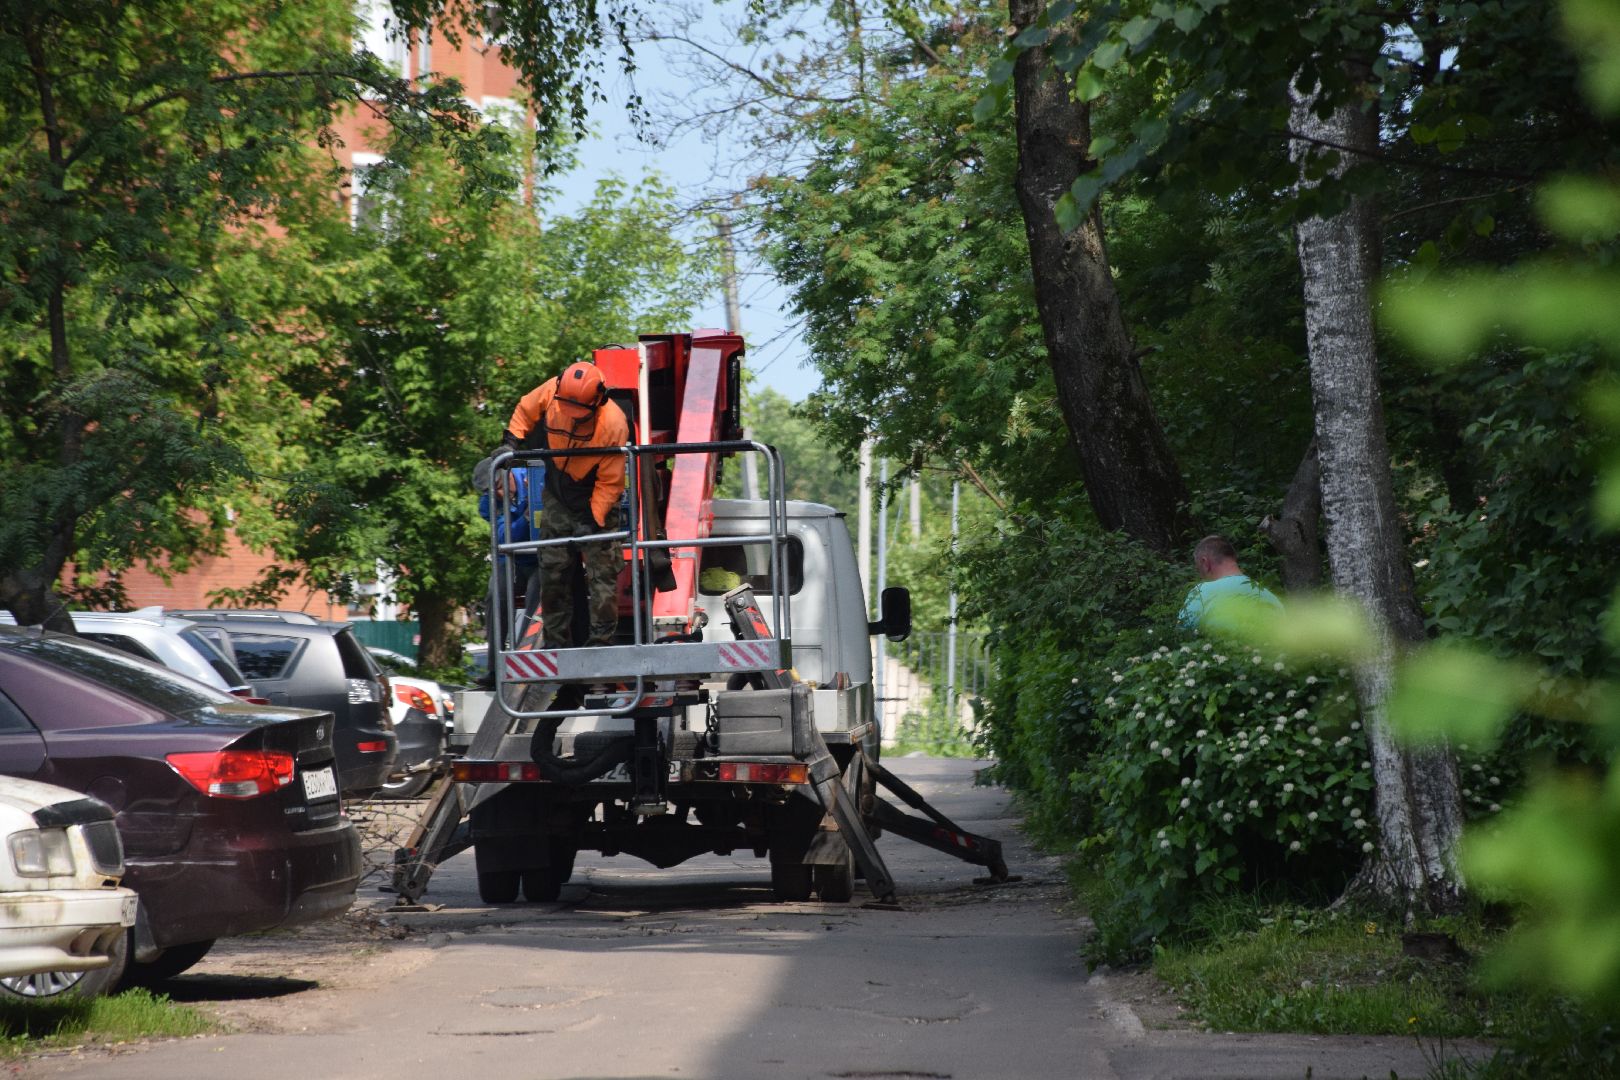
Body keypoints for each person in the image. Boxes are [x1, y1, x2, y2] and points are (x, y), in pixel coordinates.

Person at [501, 361, 630, 649]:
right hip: (557, 494)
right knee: (553, 572)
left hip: (594, 496)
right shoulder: (553, 390)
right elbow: (525, 409)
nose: (572, 416)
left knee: (602, 576)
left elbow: (610, 483)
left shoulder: (614, 424)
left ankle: (601, 642)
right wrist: (511, 442)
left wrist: (593, 519)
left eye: (579, 412)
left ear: (598, 401)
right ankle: (556, 643)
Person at [1177, 534, 1282, 635]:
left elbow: (1181, 636)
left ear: (1205, 563)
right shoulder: (1270, 597)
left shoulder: (1201, 592)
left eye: (1198, 568)